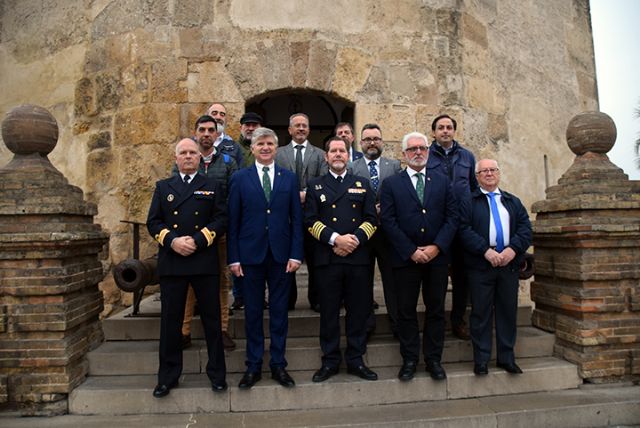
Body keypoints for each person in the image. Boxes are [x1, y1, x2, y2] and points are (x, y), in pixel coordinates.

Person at [147, 138, 227, 398]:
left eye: (193, 152)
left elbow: (221, 219)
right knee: (170, 324)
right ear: (176, 157)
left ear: (199, 158)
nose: (189, 156)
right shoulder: (163, 187)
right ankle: (167, 377)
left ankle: (217, 375)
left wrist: (198, 239)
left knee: (212, 322)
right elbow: (153, 222)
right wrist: (172, 241)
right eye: (184, 153)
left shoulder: (212, 186)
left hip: (203, 261)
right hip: (173, 262)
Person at [227, 127, 303, 389]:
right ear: (252, 148)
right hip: (250, 257)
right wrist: (233, 258)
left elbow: (296, 220)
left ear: (276, 147)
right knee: (253, 314)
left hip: (282, 257)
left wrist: (296, 253)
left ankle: (279, 365)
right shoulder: (239, 178)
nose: (266, 147)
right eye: (261, 144)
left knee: (280, 313)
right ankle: (254, 365)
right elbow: (233, 222)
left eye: (270, 143)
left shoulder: (289, 178)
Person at [380, 132, 458, 382]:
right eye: (412, 149)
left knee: (436, 310)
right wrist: (411, 250)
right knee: (406, 311)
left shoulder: (443, 181)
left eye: (422, 148)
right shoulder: (391, 184)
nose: (418, 152)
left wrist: (436, 247)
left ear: (428, 151)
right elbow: (388, 221)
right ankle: (410, 359)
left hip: (437, 259)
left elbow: (452, 217)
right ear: (404, 155)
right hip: (405, 259)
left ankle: (434, 359)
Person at [305, 136, 378, 383]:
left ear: (349, 156)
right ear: (326, 157)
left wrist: (353, 240)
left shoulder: (362, 183)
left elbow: (372, 220)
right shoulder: (315, 186)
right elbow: (310, 221)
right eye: (333, 151)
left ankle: (356, 359)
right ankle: (330, 361)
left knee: (358, 312)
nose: (338, 154)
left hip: (357, 259)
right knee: (329, 313)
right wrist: (336, 239)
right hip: (328, 258)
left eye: (342, 151)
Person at [458, 159, 532, 376]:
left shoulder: (512, 201)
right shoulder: (468, 201)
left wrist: (512, 250)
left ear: (498, 173)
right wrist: (485, 251)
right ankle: (481, 360)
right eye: (484, 171)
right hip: (481, 264)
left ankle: (506, 358)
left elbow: (525, 228)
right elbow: (463, 230)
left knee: (507, 312)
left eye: (493, 170)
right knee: (480, 313)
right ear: (477, 176)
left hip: (508, 265)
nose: (489, 174)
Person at [174, 115, 238, 351]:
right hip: (188, 235)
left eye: (211, 130)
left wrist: (217, 226)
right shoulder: (185, 158)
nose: (206, 134)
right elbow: (176, 193)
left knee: (221, 280)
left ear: (217, 134)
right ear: (196, 132)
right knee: (188, 283)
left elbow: (233, 197)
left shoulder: (228, 162)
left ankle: (221, 329)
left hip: (217, 232)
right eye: (202, 129)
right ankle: (183, 331)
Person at [349, 123, 402, 337]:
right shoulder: (352, 167)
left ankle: (397, 323)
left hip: (388, 234)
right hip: (363, 233)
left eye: (376, 139)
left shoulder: (395, 165)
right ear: (360, 143)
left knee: (392, 280)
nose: (372, 142)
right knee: (363, 281)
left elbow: (400, 194)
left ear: (382, 142)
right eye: (368, 139)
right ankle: (367, 324)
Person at [428, 114, 478, 340]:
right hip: (437, 224)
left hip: (462, 224)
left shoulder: (467, 157)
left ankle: (458, 320)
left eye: (449, 127)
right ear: (434, 132)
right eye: (441, 128)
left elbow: (474, 189)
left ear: (454, 131)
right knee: (436, 276)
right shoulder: (426, 155)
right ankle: (435, 320)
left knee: (462, 276)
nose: (445, 131)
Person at [275, 113, 328, 311]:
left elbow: (323, 180)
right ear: (289, 130)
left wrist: (306, 194)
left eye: (304, 126)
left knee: (315, 260)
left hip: (312, 215)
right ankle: (287, 301)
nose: (301, 129)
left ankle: (316, 299)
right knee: (285, 260)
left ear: (309, 129)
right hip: (285, 217)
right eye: (297, 126)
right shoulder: (278, 154)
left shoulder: (320, 154)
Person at [230, 111, 264, 312]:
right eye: (247, 125)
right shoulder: (233, 148)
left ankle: (260, 295)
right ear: (241, 127)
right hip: (240, 205)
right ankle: (239, 295)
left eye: (254, 124)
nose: (251, 128)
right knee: (240, 254)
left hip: (261, 208)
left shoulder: (264, 148)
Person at [206, 102, 244, 167]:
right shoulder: (196, 144)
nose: (218, 117)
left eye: (222, 114)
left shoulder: (235, 147)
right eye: (214, 113)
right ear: (206, 117)